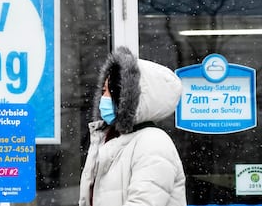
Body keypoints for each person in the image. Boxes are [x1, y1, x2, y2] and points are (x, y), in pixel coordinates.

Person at [79, 47, 187, 206]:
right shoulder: (111, 139)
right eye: (103, 91)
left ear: (127, 97)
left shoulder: (153, 143)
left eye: (110, 92)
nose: (104, 98)